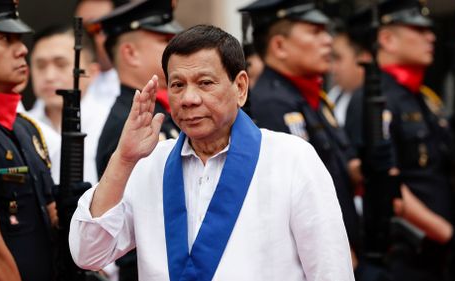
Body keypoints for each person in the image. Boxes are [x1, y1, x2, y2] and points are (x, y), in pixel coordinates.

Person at [69, 24, 354, 281]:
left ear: (240, 87)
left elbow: (331, 270)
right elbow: (88, 253)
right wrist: (124, 158)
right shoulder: (149, 162)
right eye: (178, 85)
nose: (189, 99)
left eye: (205, 83)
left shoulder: (291, 158)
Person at [345, 1, 455, 280]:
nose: (432, 37)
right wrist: (447, 233)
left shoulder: (422, 97)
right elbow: (383, 183)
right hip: (404, 253)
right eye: (419, 30)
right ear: (387, 39)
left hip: (437, 256)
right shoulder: (373, 98)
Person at [239, 0, 362, 268]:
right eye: (315, 32)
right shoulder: (273, 102)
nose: (328, 40)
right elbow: (290, 198)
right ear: (279, 46)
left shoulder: (308, 96)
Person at [0, 0, 57, 280]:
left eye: (19, 39)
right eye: (4, 39)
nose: (21, 50)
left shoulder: (26, 128)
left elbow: (50, 215)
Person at [95, 0, 181, 180]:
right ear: (130, 53)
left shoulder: (159, 110)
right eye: (165, 40)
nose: (177, 48)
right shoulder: (126, 124)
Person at [28, 24, 107, 186]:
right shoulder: (22, 126)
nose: (49, 76)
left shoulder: (111, 122)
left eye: (61, 64)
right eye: (40, 66)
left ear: (92, 72)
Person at [75, 0, 120, 115]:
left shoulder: (138, 82)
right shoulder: (63, 80)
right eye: (81, 29)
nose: (85, 37)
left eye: (95, 28)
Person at [329, 24, 369, 127]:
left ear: (363, 60)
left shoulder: (377, 101)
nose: (332, 68)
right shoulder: (334, 95)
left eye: (338, 58)